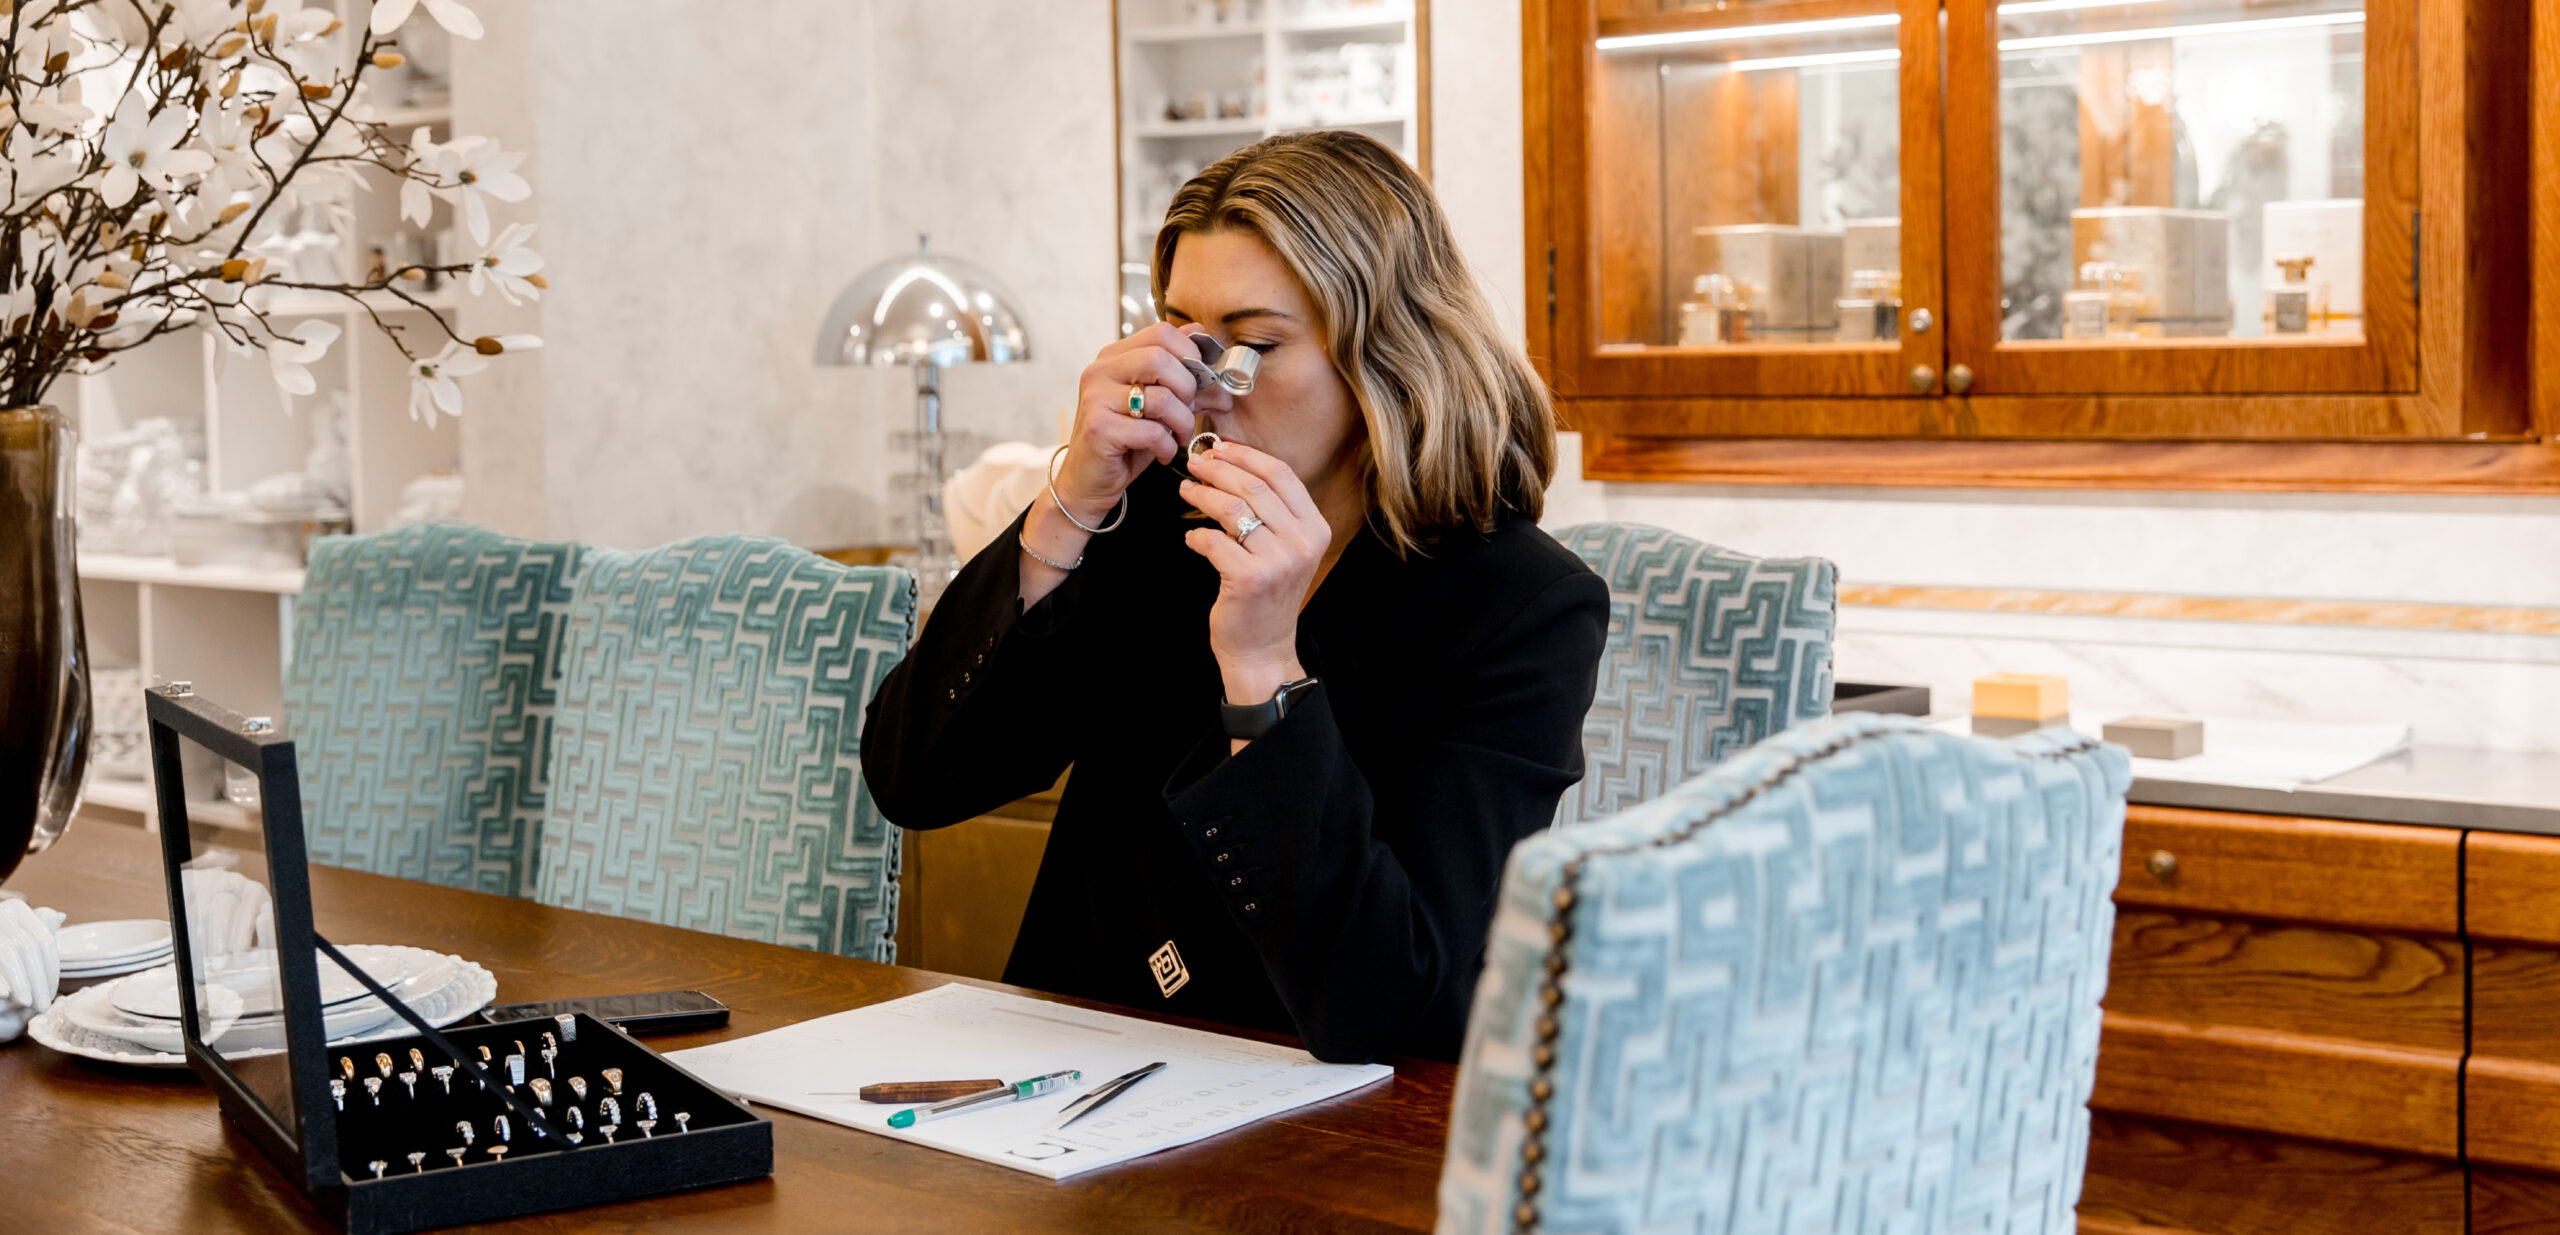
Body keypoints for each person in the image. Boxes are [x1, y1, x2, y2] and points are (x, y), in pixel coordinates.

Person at [862, 130, 1607, 1065]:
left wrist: (1262, 669)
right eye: (1186, 336)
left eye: (1254, 345)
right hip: (1069, 1068)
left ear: (1385, 351)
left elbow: (1391, 1001)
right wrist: (1070, 501)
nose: (1204, 387)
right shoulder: (1154, 518)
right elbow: (917, 780)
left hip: (1311, 1108)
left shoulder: (1520, 605)